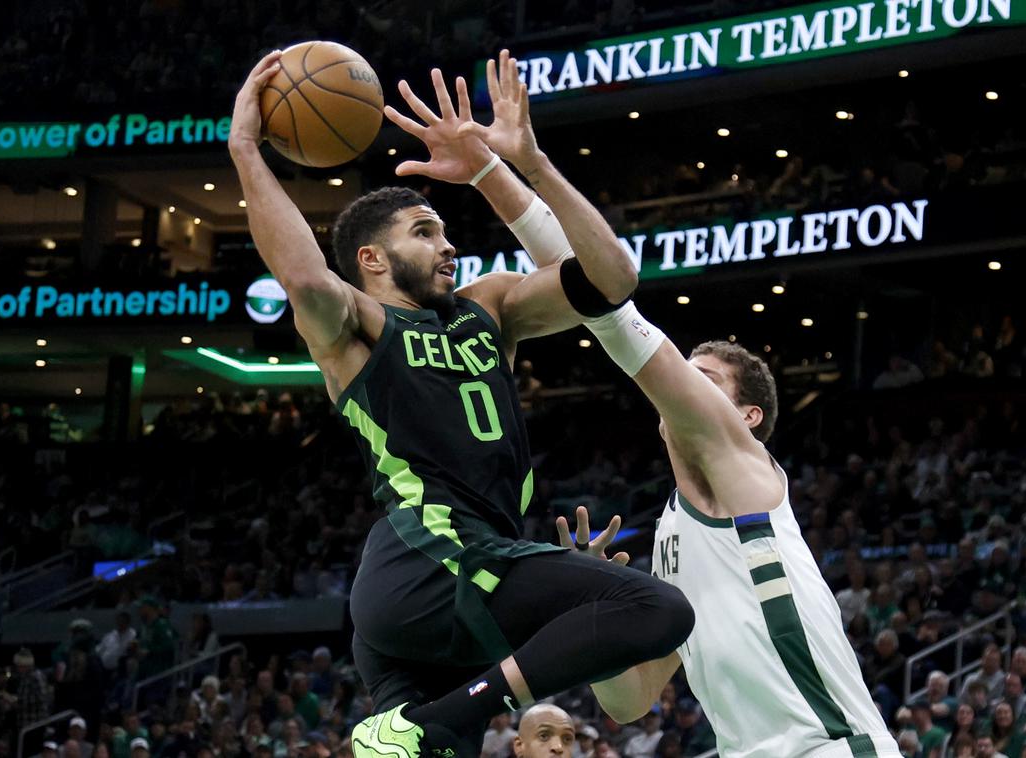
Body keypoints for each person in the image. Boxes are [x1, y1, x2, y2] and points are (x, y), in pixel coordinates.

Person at [228, 49, 691, 758]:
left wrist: (522, 164)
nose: (449, 248)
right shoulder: (356, 329)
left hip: (439, 589)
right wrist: (245, 149)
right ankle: (447, 716)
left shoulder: (492, 307)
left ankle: (430, 721)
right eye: (425, 234)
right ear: (372, 261)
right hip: (434, 559)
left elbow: (614, 276)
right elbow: (304, 277)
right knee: (654, 607)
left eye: (446, 234)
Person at [549, 297, 899, 752]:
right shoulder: (670, 533)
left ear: (747, 417)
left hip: (829, 746)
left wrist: (585, 281)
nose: (681, 388)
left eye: (703, 381)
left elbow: (624, 328)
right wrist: (586, 612)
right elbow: (630, 701)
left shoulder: (749, 479)